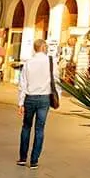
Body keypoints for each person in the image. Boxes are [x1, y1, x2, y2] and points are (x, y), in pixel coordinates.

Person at [18, 39, 59, 169]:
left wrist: (20, 102)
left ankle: (23, 158)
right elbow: (56, 80)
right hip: (44, 98)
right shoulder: (51, 62)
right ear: (43, 47)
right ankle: (34, 160)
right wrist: (58, 97)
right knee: (39, 129)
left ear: (35, 48)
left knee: (26, 127)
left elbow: (22, 83)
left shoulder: (28, 63)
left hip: (30, 97)